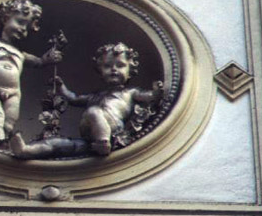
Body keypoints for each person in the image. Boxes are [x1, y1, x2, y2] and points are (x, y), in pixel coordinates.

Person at [9, 41, 164, 159]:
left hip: (113, 131)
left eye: (120, 65)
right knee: (57, 143)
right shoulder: (95, 96)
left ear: (131, 70)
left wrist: (157, 91)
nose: (114, 69)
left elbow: (150, 97)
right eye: (107, 66)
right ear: (100, 71)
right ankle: (26, 150)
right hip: (89, 139)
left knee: (94, 111)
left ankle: (103, 142)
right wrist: (61, 87)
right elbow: (73, 98)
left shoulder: (131, 92)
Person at [0, 0, 61, 144]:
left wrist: (48, 59)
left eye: (26, 28)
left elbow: (39, 62)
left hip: (13, 92)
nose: (22, 29)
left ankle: (5, 141)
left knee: (10, 120)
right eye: (20, 22)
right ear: (5, 18)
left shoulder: (21, 53)